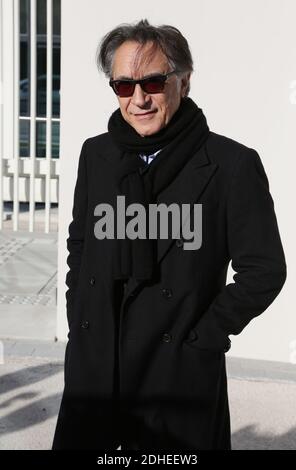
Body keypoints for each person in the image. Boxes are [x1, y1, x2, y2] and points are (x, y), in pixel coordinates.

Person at [52, 19, 287, 451]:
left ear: (184, 80)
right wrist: (78, 322)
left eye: (153, 82)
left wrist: (204, 338)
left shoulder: (230, 165)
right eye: (123, 86)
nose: (139, 99)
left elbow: (264, 270)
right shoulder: (96, 154)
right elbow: (80, 245)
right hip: (96, 367)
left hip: (176, 370)